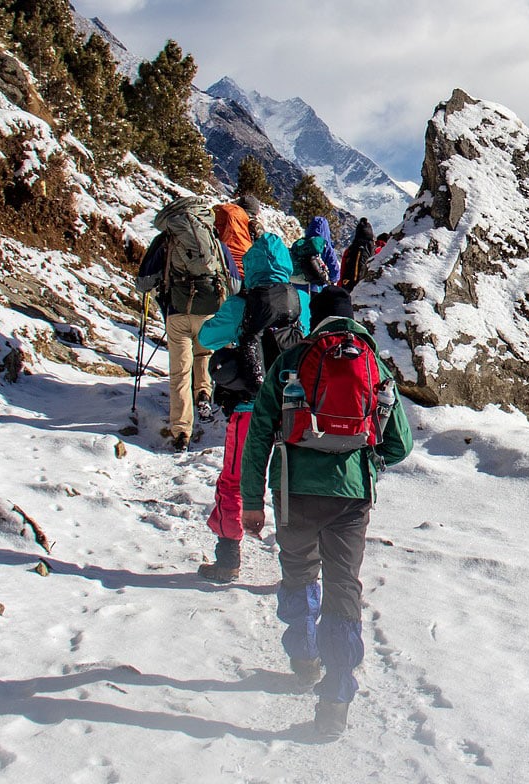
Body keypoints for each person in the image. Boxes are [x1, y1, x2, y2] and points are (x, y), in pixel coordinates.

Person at [239, 286, 413, 740]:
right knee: (343, 588)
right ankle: (336, 700)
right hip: (352, 498)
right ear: (351, 318)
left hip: (294, 492)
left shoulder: (291, 362)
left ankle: (304, 658)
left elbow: (258, 434)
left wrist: (252, 502)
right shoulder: (374, 365)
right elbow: (400, 445)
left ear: (315, 318)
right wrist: (366, 459)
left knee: (298, 572)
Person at [194, 216, 309, 582]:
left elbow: (208, 339)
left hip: (248, 407)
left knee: (235, 480)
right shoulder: (301, 301)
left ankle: (228, 558)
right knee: (294, 485)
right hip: (294, 411)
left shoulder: (241, 304)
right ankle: (299, 566)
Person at [135, 198, 234, 452]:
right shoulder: (213, 240)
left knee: (179, 372)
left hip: (177, 312)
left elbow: (144, 281)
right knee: (204, 354)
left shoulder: (166, 239)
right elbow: (233, 280)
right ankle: (203, 393)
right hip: (209, 310)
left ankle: (181, 431)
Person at [289, 216, 340, 292]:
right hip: (316, 287)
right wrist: (332, 280)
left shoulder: (299, 244)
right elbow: (334, 271)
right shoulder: (325, 246)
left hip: (296, 284)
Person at [338, 217, 374, 291]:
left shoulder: (354, 248)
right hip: (367, 287)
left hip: (352, 285)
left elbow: (346, 267)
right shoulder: (373, 248)